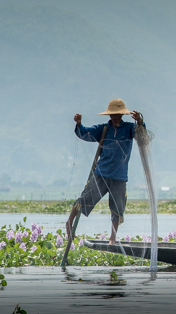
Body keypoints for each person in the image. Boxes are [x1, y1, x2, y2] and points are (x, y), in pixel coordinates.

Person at [65, 98, 144, 245]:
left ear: (122, 115)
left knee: (117, 207)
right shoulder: (103, 129)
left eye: (118, 114)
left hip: (119, 176)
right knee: (85, 198)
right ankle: (69, 222)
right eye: (113, 114)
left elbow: (142, 135)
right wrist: (78, 124)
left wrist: (139, 121)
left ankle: (112, 238)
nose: (115, 116)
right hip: (101, 173)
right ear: (109, 115)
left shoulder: (128, 129)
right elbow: (84, 133)